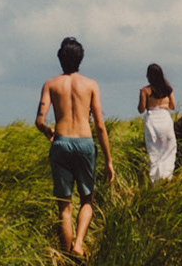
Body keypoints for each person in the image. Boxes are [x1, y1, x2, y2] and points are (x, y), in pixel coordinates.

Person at [35, 36, 116, 258]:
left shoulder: (50, 84)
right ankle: (78, 244)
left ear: (60, 58)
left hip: (60, 142)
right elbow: (99, 125)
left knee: (65, 206)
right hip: (84, 143)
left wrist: (48, 132)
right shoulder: (90, 85)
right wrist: (108, 160)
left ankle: (66, 256)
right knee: (87, 199)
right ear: (81, 59)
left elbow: (39, 121)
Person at [137, 63, 177, 181]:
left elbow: (141, 109)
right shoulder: (168, 89)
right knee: (168, 150)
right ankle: (167, 177)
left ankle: (155, 180)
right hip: (165, 120)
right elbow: (173, 106)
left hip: (153, 122)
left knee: (154, 152)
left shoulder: (145, 91)